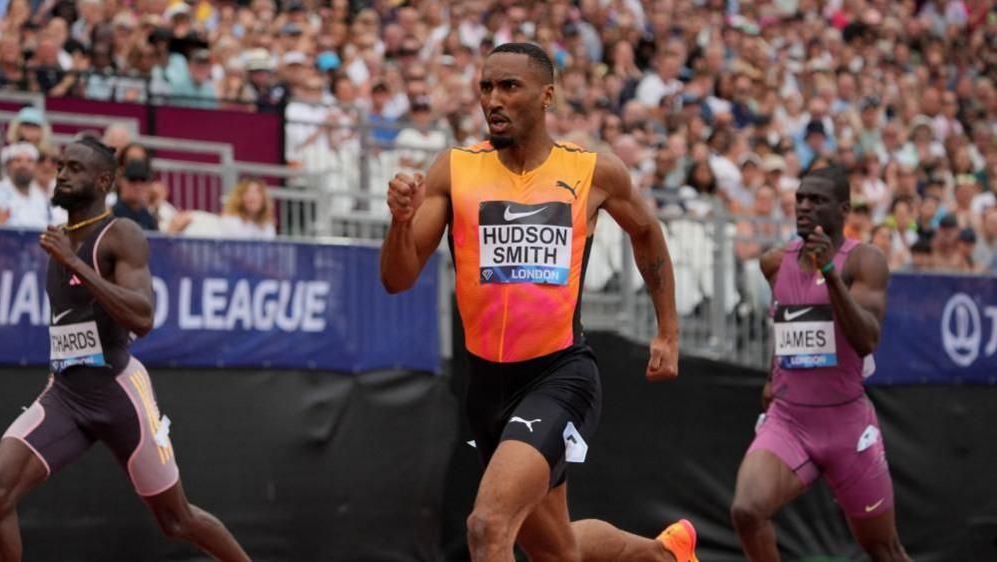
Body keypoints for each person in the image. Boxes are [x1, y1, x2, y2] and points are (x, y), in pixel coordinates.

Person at [380, 43, 699, 562]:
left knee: (488, 526)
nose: (493, 100)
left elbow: (647, 233)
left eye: (509, 86)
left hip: (558, 376)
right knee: (559, 551)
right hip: (485, 386)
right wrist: (398, 221)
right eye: (486, 87)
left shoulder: (593, 172)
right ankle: (667, 555)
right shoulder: (454, 170)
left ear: (546, 96)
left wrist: (668, 330)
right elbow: (397, 278)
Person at [0, 138, 251, 562]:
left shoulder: (121, 234)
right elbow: (68, 321)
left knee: (177, 521)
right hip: (66, 394)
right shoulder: (58, 239)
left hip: (118, 393)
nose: (61, 174)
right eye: (60, 165)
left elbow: (143, 318)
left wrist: (75, 263)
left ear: (102, 181)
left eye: (74, 168)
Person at [730, 166, 911, 562]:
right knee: (747, 511)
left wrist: (829, 272)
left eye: (817, 200)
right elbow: (789, 320)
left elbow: (866, 340)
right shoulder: (775, 263)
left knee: (883, 550)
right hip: (791, 420)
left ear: (843, 209)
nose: (804, 207)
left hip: (847, 426)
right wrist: (772, 375)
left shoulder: (864, 262)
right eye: (800, 199)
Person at [0, 142, 54, 229]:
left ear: (35, 166)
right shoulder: (0, 192)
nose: (24, 165)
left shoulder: (41, 197)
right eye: (18, 160)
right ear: (8, 165)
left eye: (29, 161)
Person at [111, 159, 158, 231]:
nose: (138, 186)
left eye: (143, 180)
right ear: (122, 182)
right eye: (132, 179)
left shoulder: (148, 217)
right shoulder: (113, 214)